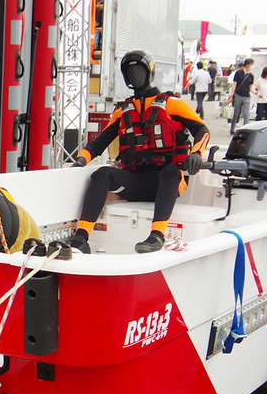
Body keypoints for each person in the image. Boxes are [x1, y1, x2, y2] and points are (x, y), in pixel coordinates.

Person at [70, 50, 210, 255]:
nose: (134, 76)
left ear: (149, 73)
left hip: (168, 182)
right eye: (130, 72)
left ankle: (157, 236)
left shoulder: (173, 104)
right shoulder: (123, 111)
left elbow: (202, 130)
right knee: (101, 174)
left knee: (171, 172)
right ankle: (81, 238)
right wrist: (80, 161)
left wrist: (196, 153)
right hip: (136, 181)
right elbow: (98, 144)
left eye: (139, 71)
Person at [228, 58, 255, 134]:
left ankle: (245, 130)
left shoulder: (251, 75)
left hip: (247, 96)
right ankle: (232, 128)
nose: (252, 66)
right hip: (238, 95)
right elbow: (234, 85)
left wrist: (256, 93)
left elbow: (251, 87)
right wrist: (231, 96)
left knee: (246, 114)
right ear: (247, 64)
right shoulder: (238, 73)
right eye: (251, 64)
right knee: (236, 113)